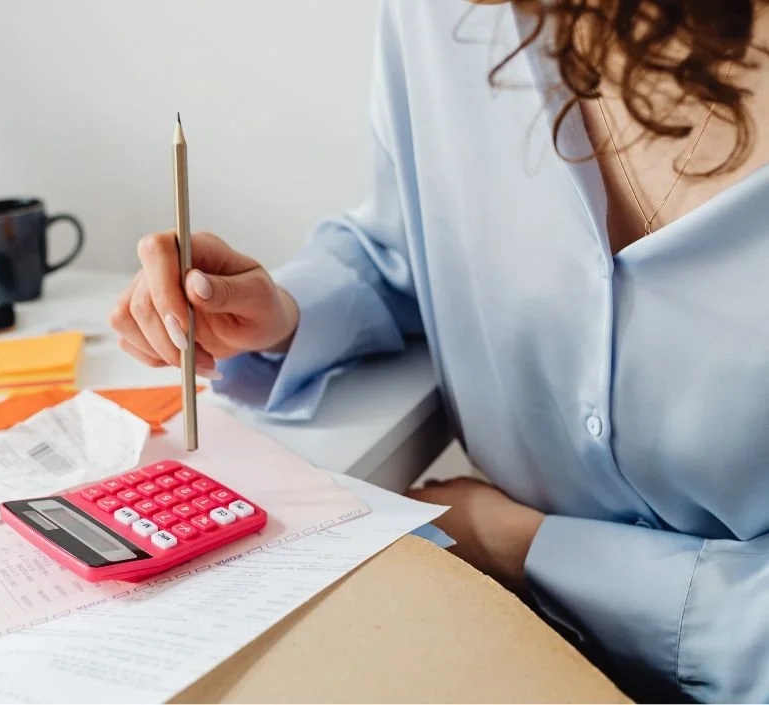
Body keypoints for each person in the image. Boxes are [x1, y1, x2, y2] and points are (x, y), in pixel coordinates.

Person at [109, 0, 769, 700]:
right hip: (498, 627)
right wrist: (284, 314)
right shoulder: (444, 18)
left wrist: (529, 546)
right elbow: (408, 245)